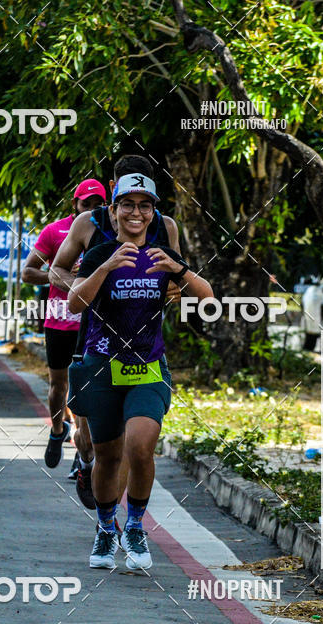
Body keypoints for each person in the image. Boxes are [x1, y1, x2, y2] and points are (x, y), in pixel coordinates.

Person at [67, 173, 212, 571]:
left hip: (148, 366)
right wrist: (107, 266)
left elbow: (207, 296)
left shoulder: (163, 254)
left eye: (144, 205)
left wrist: (179, 273)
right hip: (101, 367)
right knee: (108, 458)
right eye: (127, 205)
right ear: (112, 211)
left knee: (141, 446)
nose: (135, 212)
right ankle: (104, 528)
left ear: (153, 212)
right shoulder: (100, 254)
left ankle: (134, 525)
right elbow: (74, 304)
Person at [50, 155, 181, 512]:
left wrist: (174, 290)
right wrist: (88, 284)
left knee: (133, 444)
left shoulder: (165, 226)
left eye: (144, 198)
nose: (135, 210)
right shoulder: (87, 223)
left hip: (143, 345)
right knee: (97, 442)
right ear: (113, 190)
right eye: (126, 195)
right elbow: (56, 271)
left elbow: (176, 278)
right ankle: (88, 465)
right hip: (94, 342)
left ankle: (112, 522)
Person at [22, 178, 107, 484]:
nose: (93, 210)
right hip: (59, 318)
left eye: (100, 205)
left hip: (93, 323)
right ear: (75, 204)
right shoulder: (55, 231)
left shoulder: (111, 233)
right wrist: (62, 279)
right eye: (87, 204)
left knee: (85, 390)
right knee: (59, 385)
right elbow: (28, 272)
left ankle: (81, 456)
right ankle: (58, 430)